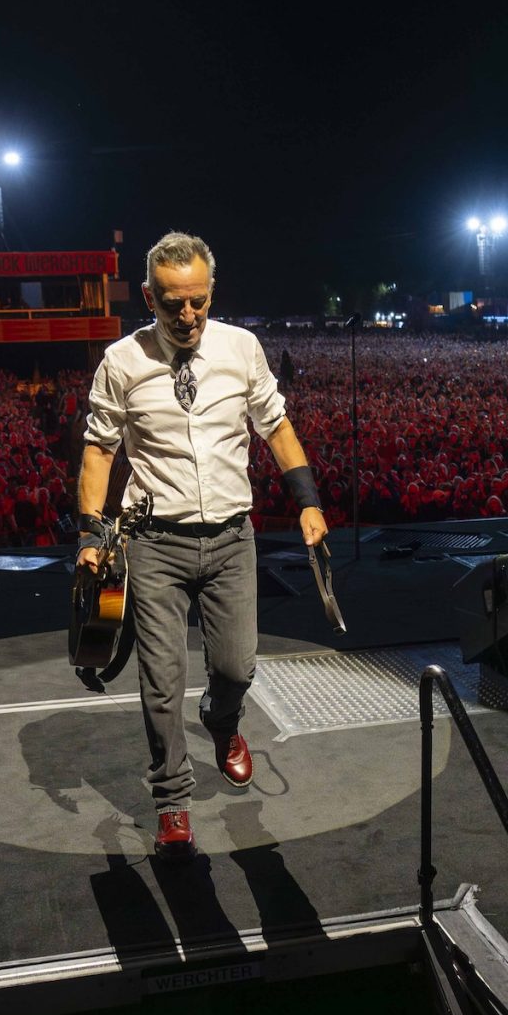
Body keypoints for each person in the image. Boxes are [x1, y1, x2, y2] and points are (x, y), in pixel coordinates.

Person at [76, 231, 328, 856]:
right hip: (153, 543)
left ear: (212, 293)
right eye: (171, 303)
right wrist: (91, 531)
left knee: (236, 667)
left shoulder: (242, 349)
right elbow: (99, 449)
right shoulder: (122, 361)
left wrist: (309, 500)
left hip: (229, 540)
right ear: (148, 297)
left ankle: (223, 724)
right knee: (160, 679)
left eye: (198, 301)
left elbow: (277, 426)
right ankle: (172, 801)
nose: (186, 316)